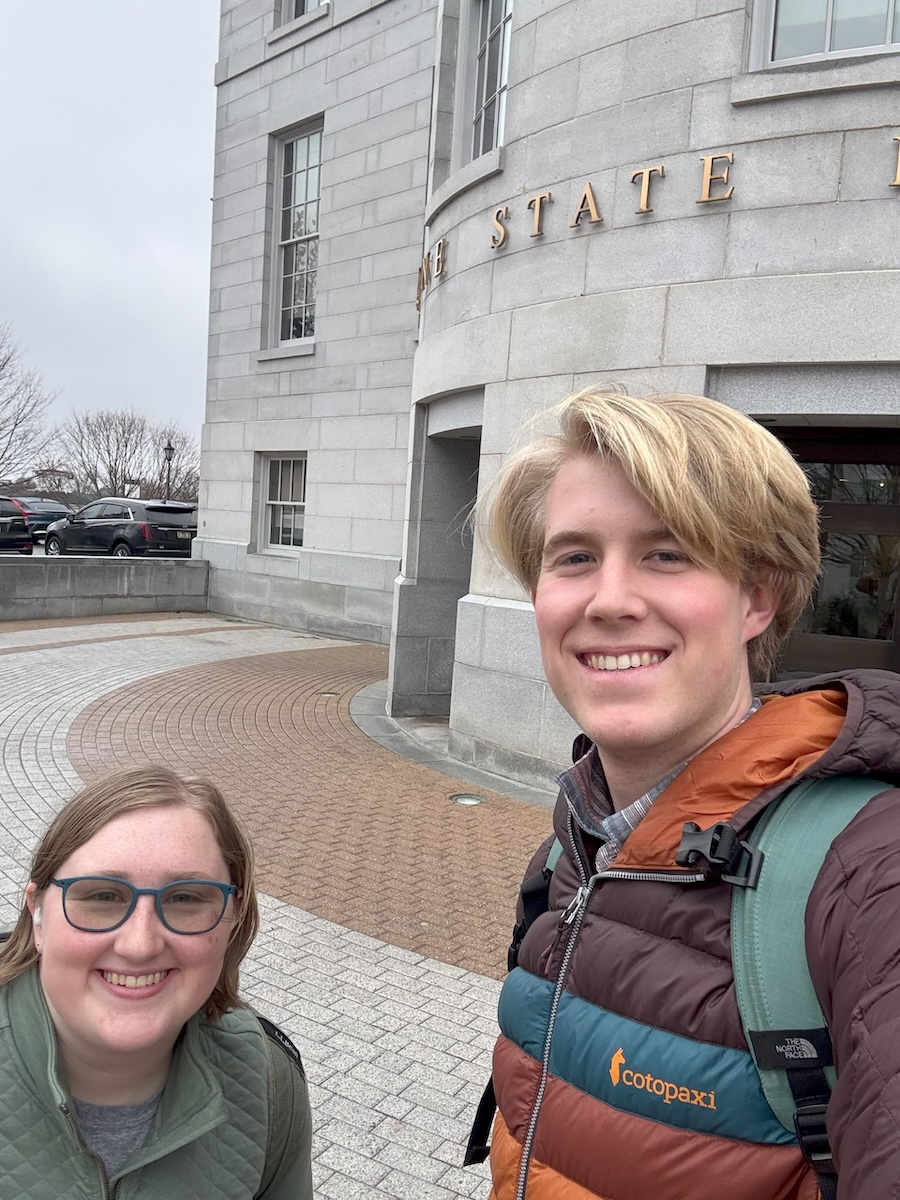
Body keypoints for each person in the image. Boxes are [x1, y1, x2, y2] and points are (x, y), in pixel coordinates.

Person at [473, 388, 900, 1200]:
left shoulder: (867, 875)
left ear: (757, 597)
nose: (609, 600)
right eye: (574, 557)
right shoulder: (572, 847)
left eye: (667, 554)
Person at [0, 765, 313, 1198]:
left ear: (233, 915)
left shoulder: (268, 1081)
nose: (140, 945)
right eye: (103, 896)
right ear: (37, 912)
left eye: (185, 898)